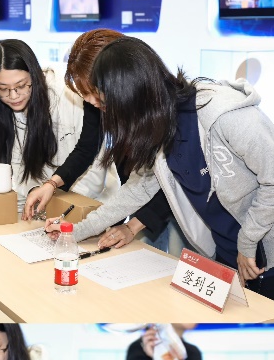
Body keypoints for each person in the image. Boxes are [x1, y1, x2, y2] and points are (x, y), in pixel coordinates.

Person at [44, 37, 274, 301]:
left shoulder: (223, 114)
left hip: (267, 254)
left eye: (106, 104)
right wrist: (75, 232)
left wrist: (247, 243)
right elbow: (137, 190)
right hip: (229, 255)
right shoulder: (160, 126)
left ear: (131, 96)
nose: (104, 112)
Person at [22, 29, 175, 253]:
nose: (91, 102)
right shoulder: (99, 100)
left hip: (168, 208)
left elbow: (166, 183)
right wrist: (52, 184)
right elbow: (87, 148)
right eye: (85, 94)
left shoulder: (158, 115)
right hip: (136, 197)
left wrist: (133, 226)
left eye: (95, 94)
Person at [0, 39, 108, 214]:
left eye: (21, 86)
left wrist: (56, 202)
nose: (14, 96)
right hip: (48, 205)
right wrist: (34, 191)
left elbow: (91, 162)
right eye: (3, 89)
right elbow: (20, 168)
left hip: (88, 204)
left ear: (34, 75)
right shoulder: (5, 109)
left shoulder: (70, 94)